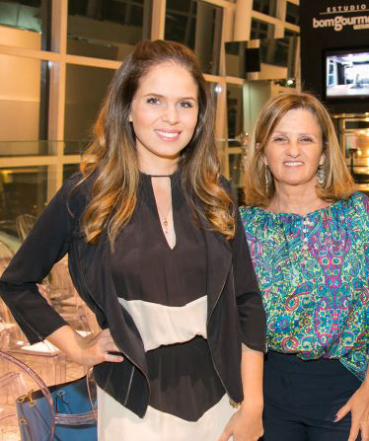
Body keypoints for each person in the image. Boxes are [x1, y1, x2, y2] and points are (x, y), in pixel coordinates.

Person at [0, 40, 266, 441]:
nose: (171, 118)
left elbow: (247, 301)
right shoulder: (87, 194)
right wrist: (76, 347)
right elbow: (16, 282)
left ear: (200, 115)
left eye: (185, 104)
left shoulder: (217, 194)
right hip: (133, 404)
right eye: (155, 100)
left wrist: (254, 406)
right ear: (127, 108)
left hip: (222, 399)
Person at [239, 92, 369, 441]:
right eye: (280, 139)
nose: (293, 150)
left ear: (324, 153)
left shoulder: (356, 215)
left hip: (342, 386)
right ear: (262, 152)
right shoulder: (245, 225)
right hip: (266, 388)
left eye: (306, 139)